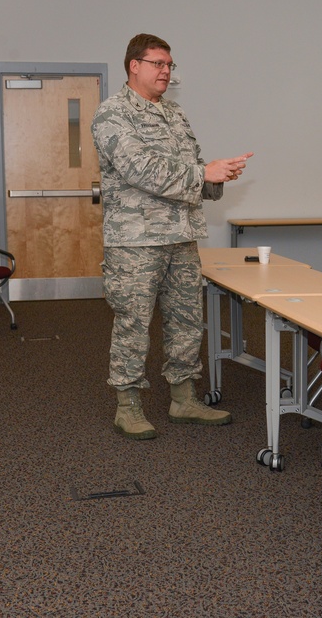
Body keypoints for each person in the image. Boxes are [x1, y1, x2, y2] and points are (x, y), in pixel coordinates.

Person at [92, 33, 253, 440]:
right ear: (134, 66)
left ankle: (183, 398)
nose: (166, 72)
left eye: (170, 66)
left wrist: (217, 177)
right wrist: (203, 173)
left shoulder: (175, 114)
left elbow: (191, 169)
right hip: (136, 242)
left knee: (186, 321)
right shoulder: (112, 114)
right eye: (158, 64)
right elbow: (141, 169)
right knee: (133, 323)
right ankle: (127, 406)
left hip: (181, 236)